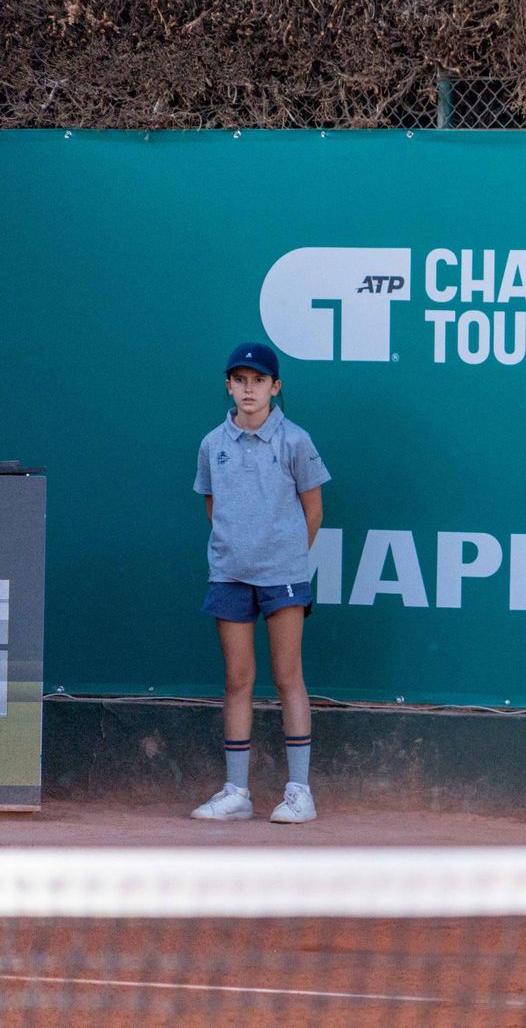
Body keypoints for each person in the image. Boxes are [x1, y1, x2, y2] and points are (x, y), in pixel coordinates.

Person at [190, 342, 330, 824]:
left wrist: (283, 555)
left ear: (276, 387)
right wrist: (240, 548)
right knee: (237, 680)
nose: (249, 389)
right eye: (240, 380)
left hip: (284, 577)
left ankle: (299, 792)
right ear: (229, 386)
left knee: (289, 676)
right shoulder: (213, 444)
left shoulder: (296, 441)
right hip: (229, 574)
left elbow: (313, 510)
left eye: (259, 381)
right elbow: (213, 506)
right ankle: (237, 792)